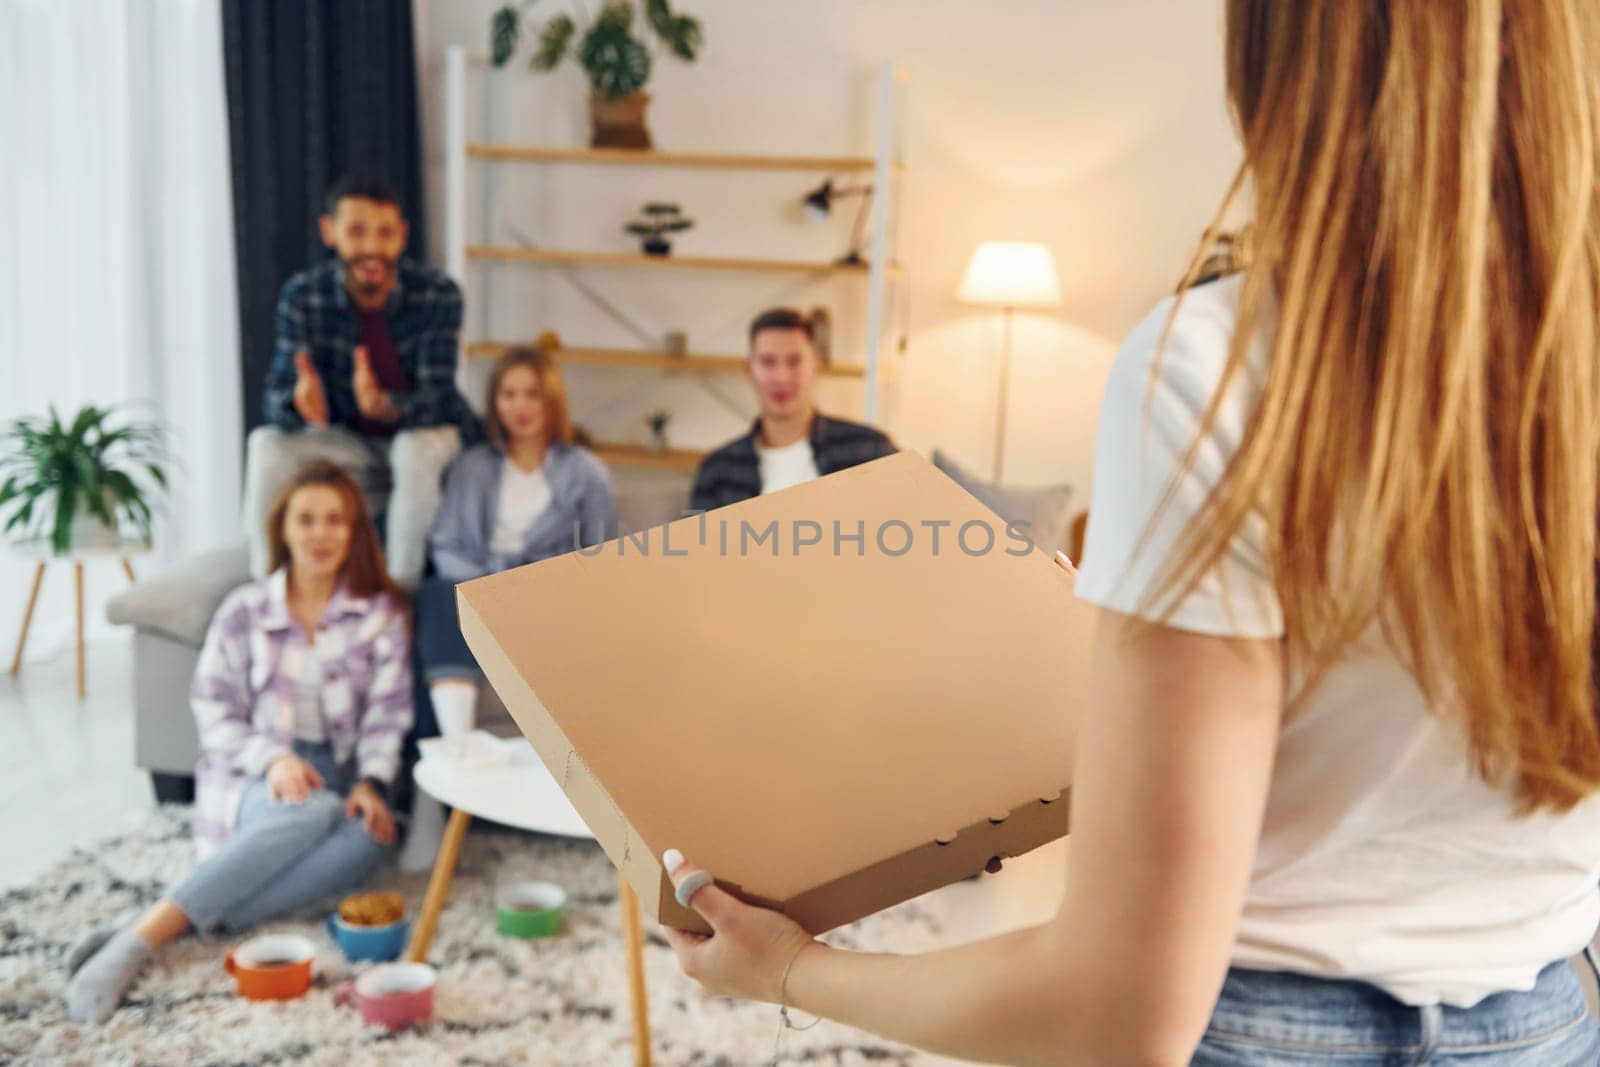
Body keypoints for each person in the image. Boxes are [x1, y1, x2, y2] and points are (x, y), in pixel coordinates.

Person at [657, 2, 1600, 1063]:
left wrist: (784, 968)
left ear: (1274, 59)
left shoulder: (1213, 369)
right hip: (1549, 1020)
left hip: (1264, 1030)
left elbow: (1118, 1009)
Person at [64, 460, 412, 1024]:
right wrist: (273, 759)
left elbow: (388, 717)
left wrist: (372, 785)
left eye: (335, 521)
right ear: (283, 529)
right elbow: (214, 711)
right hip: (254, 773)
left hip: (343, 779)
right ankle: (139, 942)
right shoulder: (244, 611)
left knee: (373, 840)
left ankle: (157, 923)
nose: (320, 534)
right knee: (310, 808)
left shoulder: (381, 616)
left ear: (354, 533)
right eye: (306, 519)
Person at [398, 346, 617, 870]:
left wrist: (531, 588)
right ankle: (456, 771)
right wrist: (488, 588)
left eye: (532, 394)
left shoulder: (584, 471)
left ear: (551, 401)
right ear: (494, 403)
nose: (520, 406)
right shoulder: (473, 468)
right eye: (508, 394)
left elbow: (605, 553)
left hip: (549, 603)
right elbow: (446, 544)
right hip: (473, 594)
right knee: (436, 595)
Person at [241, 172, 479, 589]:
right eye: (356, 231)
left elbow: (438, 400)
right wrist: (298, 405)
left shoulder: (437, 294)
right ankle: (268, 590)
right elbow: (276, 397)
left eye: (384, 233)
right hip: (351, 443)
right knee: (266, 444)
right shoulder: (304, 296)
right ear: (329, 232)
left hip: (423, 441)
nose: (371, 248)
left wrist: (386, 406)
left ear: (402, 236)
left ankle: (399, 594)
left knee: (412, 447)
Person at [688, 307, 894, 513]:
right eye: (768, 362)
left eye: (794, 362)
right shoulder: (716, 471)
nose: (782, 377)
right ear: (750, 370)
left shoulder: (871, 452)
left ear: (816, 366)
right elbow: (698, 545)